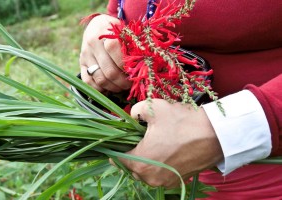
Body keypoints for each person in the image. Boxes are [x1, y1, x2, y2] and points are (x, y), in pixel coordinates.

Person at [79, 0, 282, 199]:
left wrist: (220, 131)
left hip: (269, 177)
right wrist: (105, 27)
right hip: (170, 179)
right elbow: (122, 10)